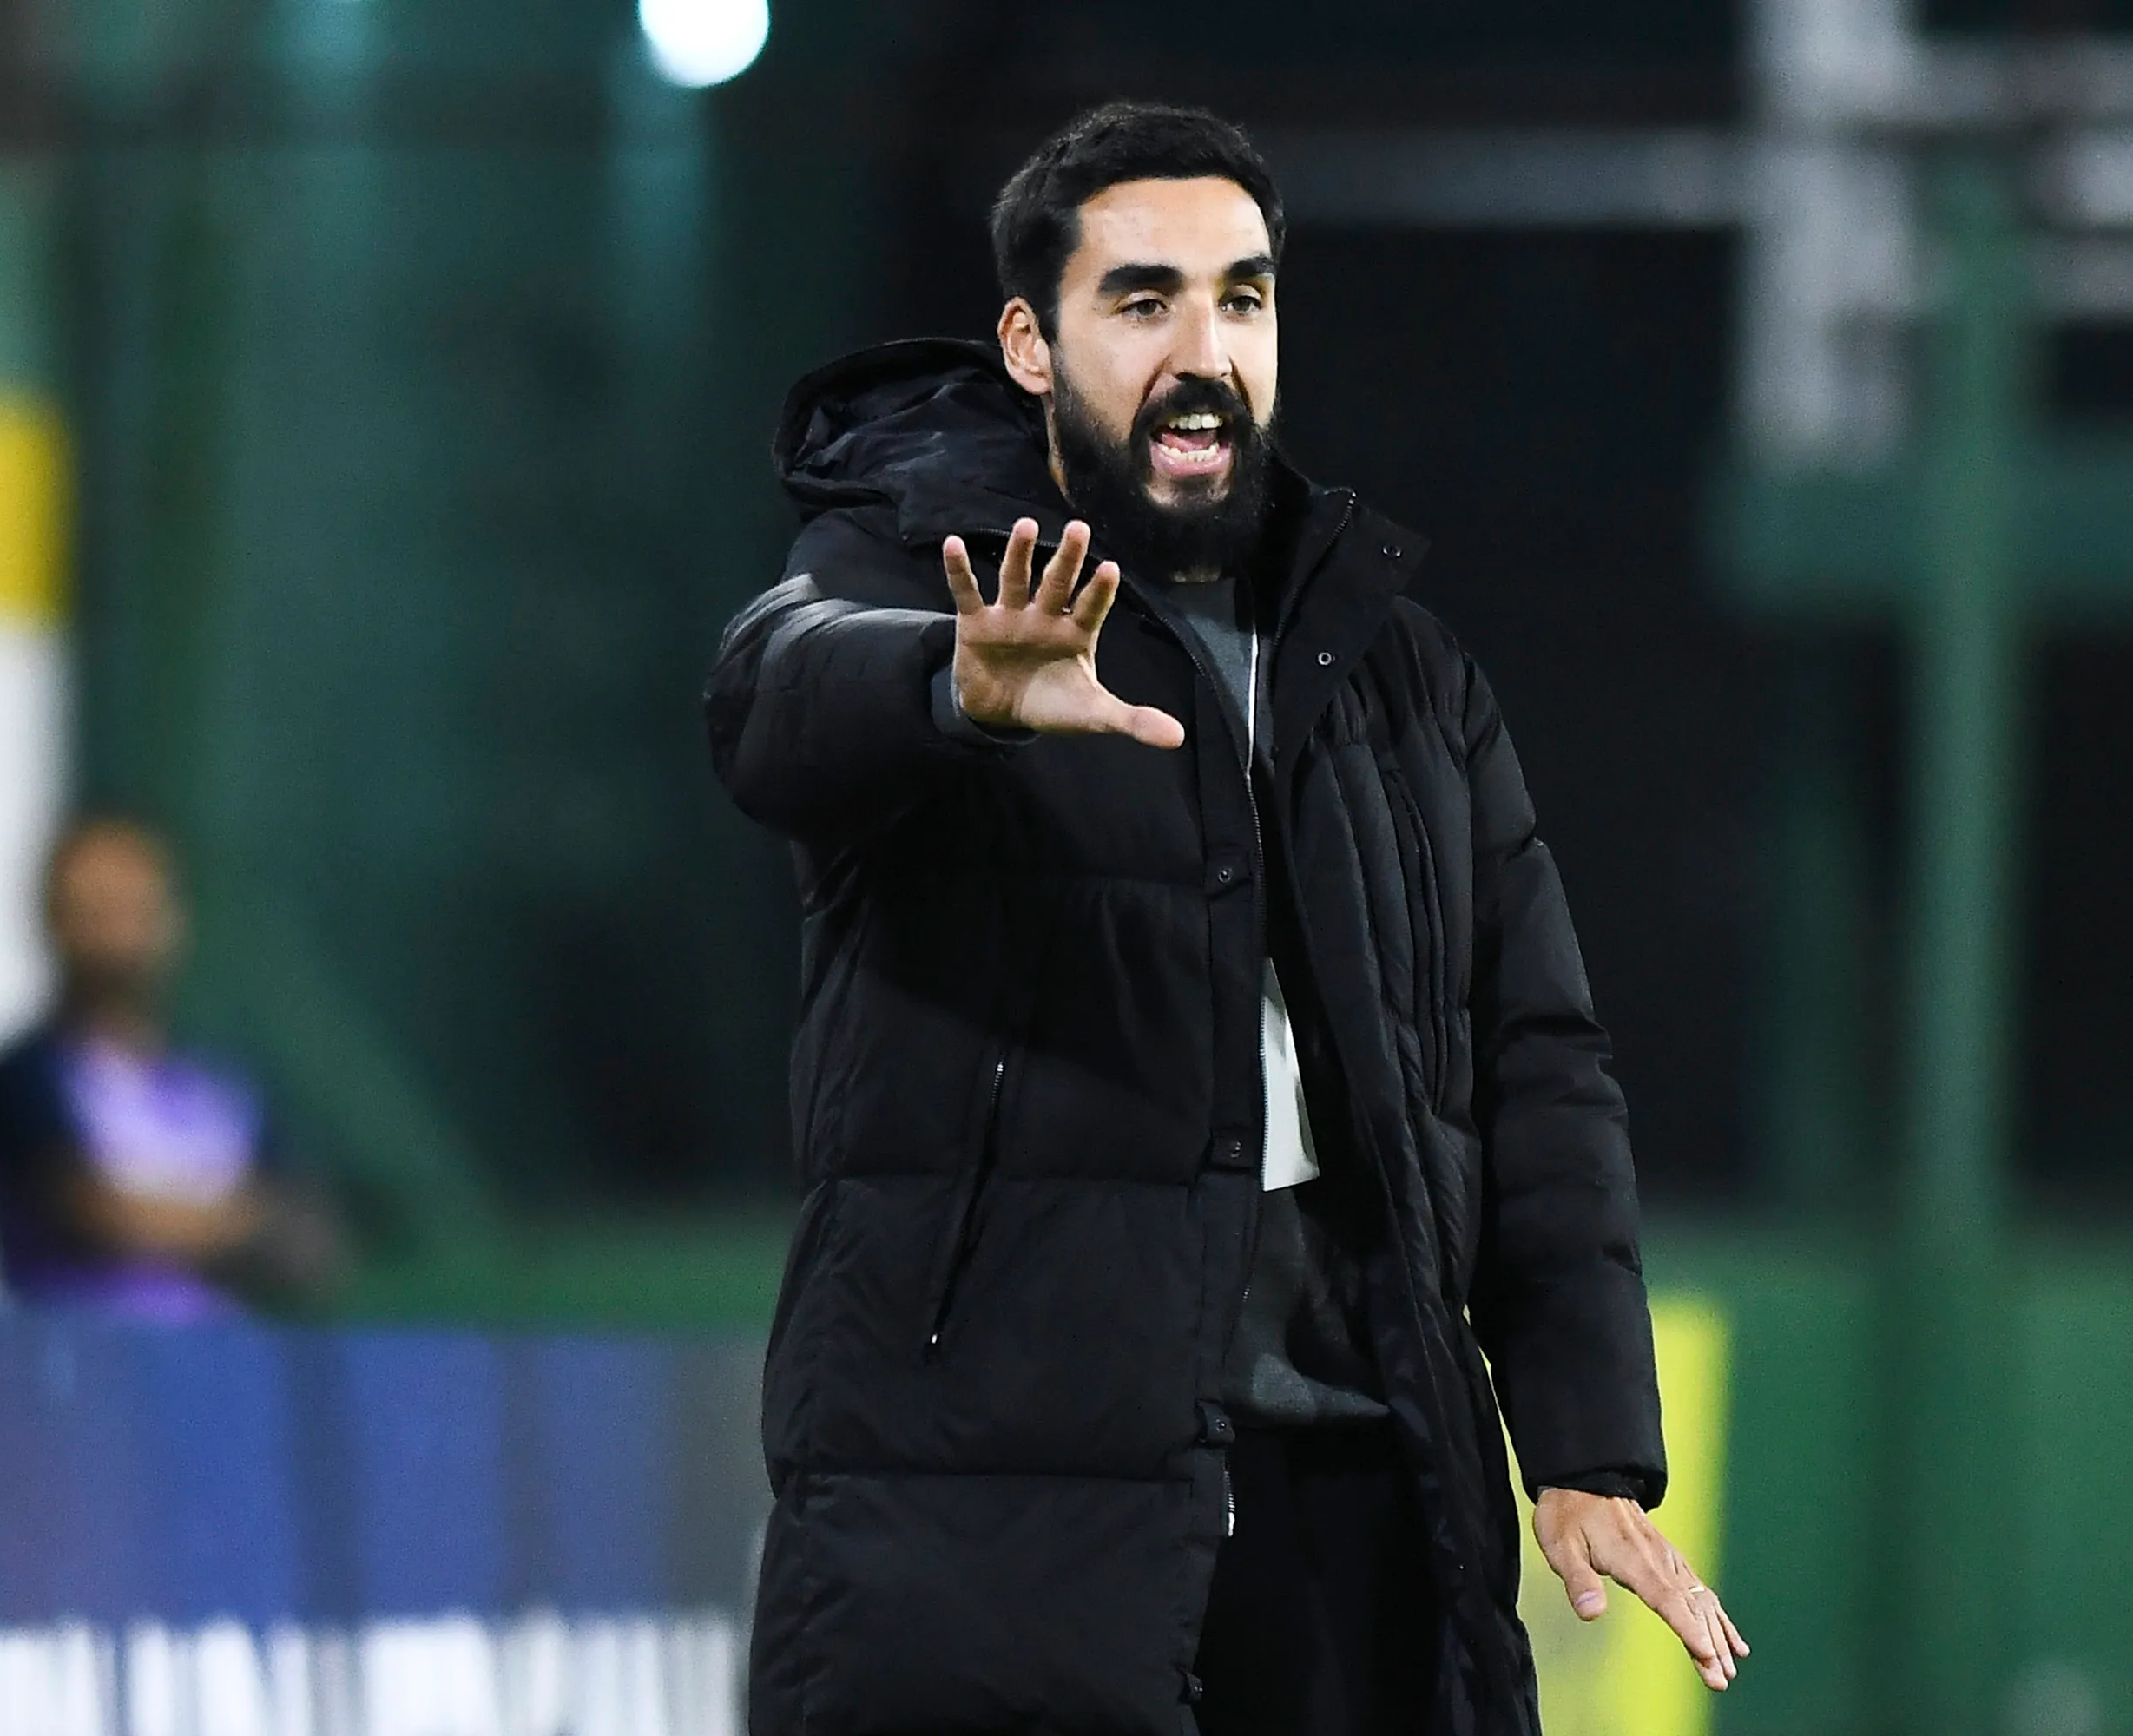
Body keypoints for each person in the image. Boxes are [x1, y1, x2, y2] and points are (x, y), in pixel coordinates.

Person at [704, 102, 1740, 1736]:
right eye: (1146, 301)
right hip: (998, 1511)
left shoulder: (1401, 677)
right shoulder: (918, 578)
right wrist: (952, 691)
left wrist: (1587, 1445)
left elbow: (1540, 1067)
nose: (1206, 350)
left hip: (1357, 1499)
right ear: (1031, 345)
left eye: (1243, 300)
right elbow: (771, 699)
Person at [0, 816, 339, 1321]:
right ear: (52, 919)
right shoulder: (23, 1077)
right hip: (75, 1371)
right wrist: (238, 1222)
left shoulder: (225, 1083)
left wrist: (182, 1223)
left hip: (215, 1368)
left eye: (131, 908)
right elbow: (95, 1215)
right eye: (91, 910)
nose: (113, 934)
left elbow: (308, 1237)